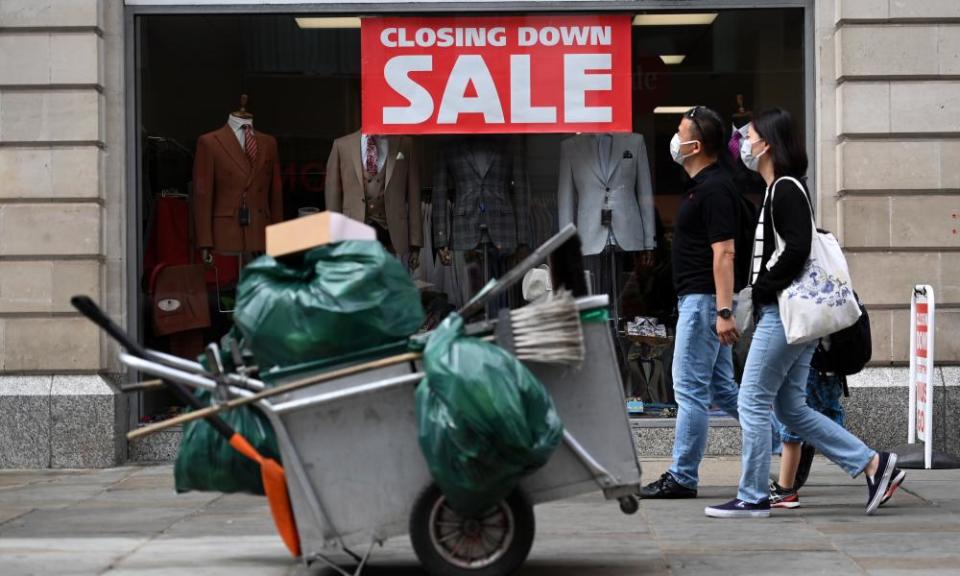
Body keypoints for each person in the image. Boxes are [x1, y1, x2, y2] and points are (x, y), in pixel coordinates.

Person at [705, 108, 901, 519]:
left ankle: (753, 494)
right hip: (792, 317)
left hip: (784, 314)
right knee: (791, 408)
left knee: (753, 400)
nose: (743, 144)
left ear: (768, 145)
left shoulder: (786, 189)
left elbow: (795, 250)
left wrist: (759, 290)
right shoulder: (783, 188)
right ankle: (872, 464)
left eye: (750, 137)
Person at [640, 106, 743, 499]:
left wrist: (722, 311)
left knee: (689, 391)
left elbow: (725, 253)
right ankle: (788, 441)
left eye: (679, 132)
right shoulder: (708, 186)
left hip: (703, 304)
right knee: (722, 389)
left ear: (695, 145)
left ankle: (683, 475)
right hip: (701, 302)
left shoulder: (714, 188)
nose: (674, 138)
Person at [770, 359, 906, 508]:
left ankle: (874, 464)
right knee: (827, 421)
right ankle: (884, 471)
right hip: (824, 363)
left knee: (793, 420)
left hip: (810, 364)